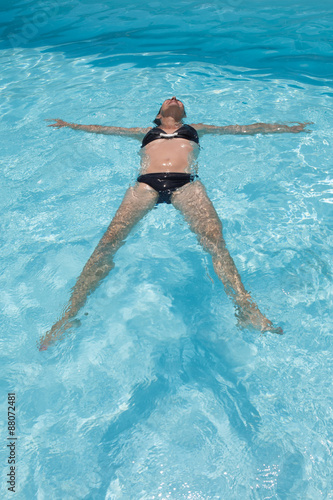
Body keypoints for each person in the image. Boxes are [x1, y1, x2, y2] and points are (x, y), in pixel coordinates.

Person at [39, 96, 310, 349]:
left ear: (183, 113)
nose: (174, 96)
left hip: (186, 185)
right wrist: (70, 125)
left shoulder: (195, 129)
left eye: (178, 100)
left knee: (215, 243)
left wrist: (286, 128)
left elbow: (241, 129)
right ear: (159, 114)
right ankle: (69, 315)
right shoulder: (144, 132)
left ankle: (246, 309)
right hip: (146, 184)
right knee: (108, 243)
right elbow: (106, 129)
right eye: (168, 99)